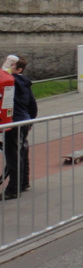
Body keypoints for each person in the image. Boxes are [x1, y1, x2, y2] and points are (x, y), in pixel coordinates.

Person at [2, 56, 38, 200]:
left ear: (18, 69)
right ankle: (24, 182)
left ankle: (13, 189)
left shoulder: (11, 81)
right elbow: (32, 104)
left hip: (14, 121)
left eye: (11, 65)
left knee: (13, 155)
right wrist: (30, 120)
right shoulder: (25, 83)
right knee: (22, 151)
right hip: (24, 120)